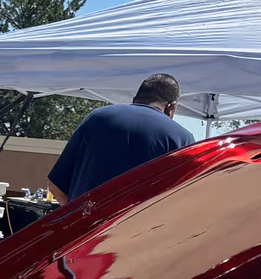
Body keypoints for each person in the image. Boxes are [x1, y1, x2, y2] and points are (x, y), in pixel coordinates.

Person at [46, 73, 194, 202]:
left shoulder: (98, 117)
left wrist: (76, 219)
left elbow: (56, 187)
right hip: (139, 229)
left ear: (136, 98)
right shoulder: (182, 138)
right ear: (171, 107)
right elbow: (183, 199)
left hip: (89, 227)